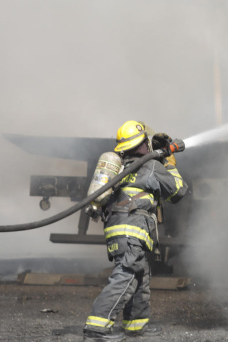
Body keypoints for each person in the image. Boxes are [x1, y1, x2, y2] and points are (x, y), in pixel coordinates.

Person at [83, 121, 188, 341]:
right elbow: (178, 192)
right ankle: (96, 328)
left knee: (140, 275)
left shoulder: (120, 168)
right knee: (127, 275)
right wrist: (169, 163)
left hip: (120, 230)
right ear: (143, 144)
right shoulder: (151, 167)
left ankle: (135, 326)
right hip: (133, 230)